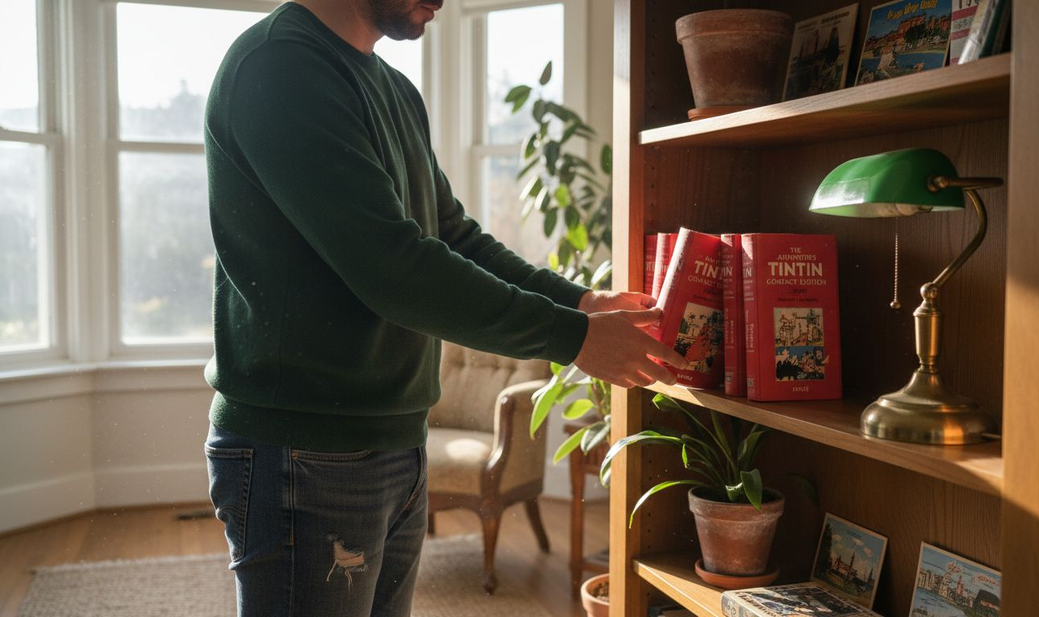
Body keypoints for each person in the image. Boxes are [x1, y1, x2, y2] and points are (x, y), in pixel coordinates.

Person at [202, 0, 688, 615]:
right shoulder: (279, 65)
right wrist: (576, 337)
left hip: (397, 437)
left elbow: (451, 236)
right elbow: (393, 267)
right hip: (303, 450)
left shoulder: (395, 90)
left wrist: (583, 301)